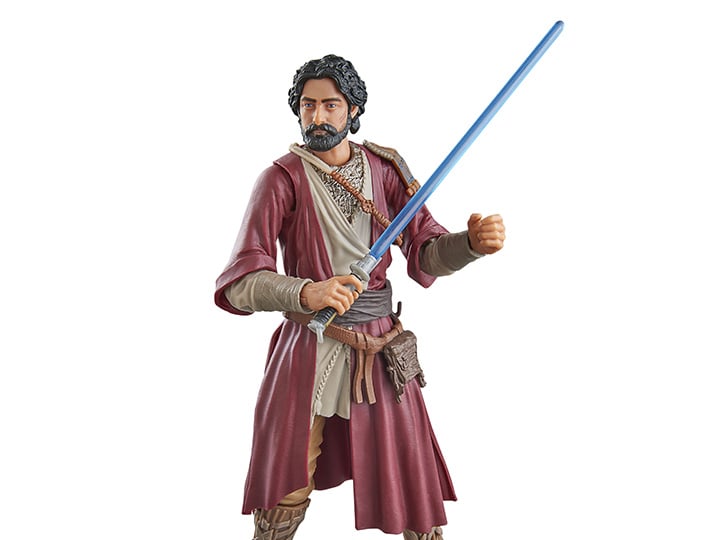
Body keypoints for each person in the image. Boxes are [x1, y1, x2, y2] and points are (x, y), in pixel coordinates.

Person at [214, 54, 505, 540]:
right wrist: (307, 291)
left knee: (409, 473)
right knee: (288, 476)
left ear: (352, 110)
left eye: (330, 105)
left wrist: (469, 245)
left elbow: (425, 251)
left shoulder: (386, 170)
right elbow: (241, 283)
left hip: (379, 344)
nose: (318, 117)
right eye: (308, 106)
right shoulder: (281, 179)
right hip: (309, 343)